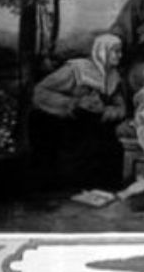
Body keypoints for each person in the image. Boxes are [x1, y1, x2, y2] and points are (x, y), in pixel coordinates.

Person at [30, 33, 127, 190]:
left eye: (120, 51)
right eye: (115, 51)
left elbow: (121, 107)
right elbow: (40, 91)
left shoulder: (114, 76)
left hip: (96, 128)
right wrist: (73, 103)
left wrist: (107, 112)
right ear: (102, 51)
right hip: (69, 125)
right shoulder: (76, 69)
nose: (120, 55)